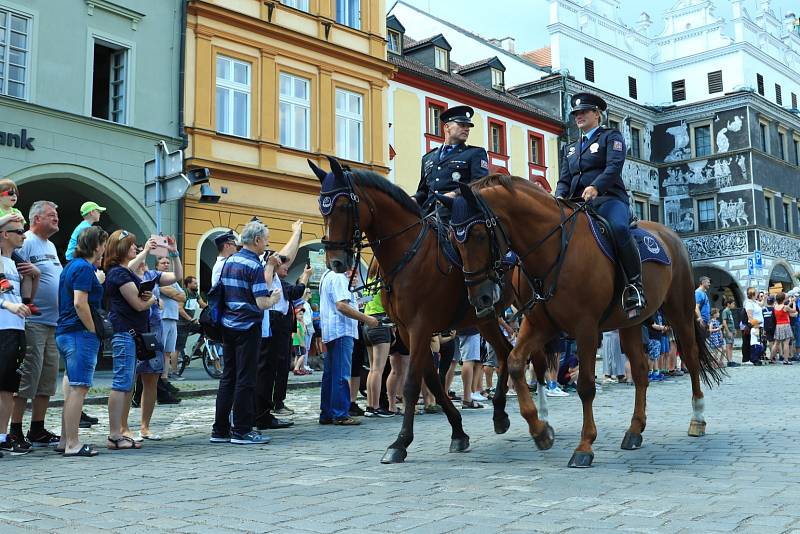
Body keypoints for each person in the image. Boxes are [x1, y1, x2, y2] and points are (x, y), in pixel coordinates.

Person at [555, 93, 645, 318]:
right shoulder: (571, 148)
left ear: (597, 114)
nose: (579, 116)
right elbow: (564, 179)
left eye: (584, 112)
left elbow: (614, 167)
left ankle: (635, 286)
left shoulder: (610, 137)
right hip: (577, 204)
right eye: (576, 113)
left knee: (618, 228)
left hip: (609, 199)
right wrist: (557, 199)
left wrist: (596, 187)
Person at [103, 230, 183, 450]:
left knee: (131, 382)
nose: (135, 249)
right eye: (132, 246)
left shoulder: (129, 273)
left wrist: (174, 253)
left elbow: (176, 277)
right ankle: (116, 433)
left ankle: (123, 432)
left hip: (139, 335)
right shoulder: (119, 273)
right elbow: (138, 305)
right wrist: (152, 300)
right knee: (123, 384)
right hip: (126, 334)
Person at [211, 220, 281, 445]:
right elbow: (261, 302)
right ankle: (242, 429)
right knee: (246, 379)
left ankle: (220, 429)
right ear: (258, 240)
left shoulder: (230, 261)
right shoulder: (253, 266)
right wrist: (274, 298)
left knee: (228, 377)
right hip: (248, 327)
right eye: (266, 239)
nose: (267, 244)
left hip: (228, 324)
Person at [6, 201, 62, 449]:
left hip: (52, 322)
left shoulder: (49, 245)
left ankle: (37, 428)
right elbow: (16, 274)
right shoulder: (25, 240)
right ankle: (15, 430)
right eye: (51, 215)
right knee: (27, 377)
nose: (56, 219)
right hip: (32, 321)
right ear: (36, 219)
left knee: (47, 379)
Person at [56, 226, 108, 457]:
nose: (105, 249)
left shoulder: (71, 267)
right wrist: (93, 329)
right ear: (96, 246)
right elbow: (80, 303)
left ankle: (65, 440)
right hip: (79, 333)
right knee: (79, 389)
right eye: (104, 244)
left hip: (65, 332)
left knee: (72, 390)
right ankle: (73, 444)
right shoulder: (85, 268)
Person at [318, 268, 378, 426]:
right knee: (342, 374)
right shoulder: (339, 278)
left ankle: (327, 412)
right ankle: (340, 413)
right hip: (341, 330)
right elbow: (342, 306)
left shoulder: (327, 275)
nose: (355, 273)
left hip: (332, 330)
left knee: (330, 375)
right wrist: (366, 318)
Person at [413, 105, 489, 214]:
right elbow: (423, 191)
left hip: (457, 215)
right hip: (428, 216)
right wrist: (413, 199)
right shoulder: (428, 158)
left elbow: (481, 184)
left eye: (468, 126)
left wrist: (455, 194)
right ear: (447, 127)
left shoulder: (475, 153)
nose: (466, 129)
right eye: (462, 125)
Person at [0, 216, 33, 456]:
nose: (23, 234)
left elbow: (26, 297)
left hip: (17, 329)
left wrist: (36, 275)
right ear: (4, 234)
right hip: (3, 329)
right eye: (18, 231)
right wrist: (7, 305)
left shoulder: (13, 263)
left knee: (9, 387)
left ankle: (2, 436)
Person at [0, 179, 40, 315]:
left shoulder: (16, 210)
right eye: (10, 193)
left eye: (16, 193)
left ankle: (27, 301)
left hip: (10, 251)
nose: (14, 196)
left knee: (26, 269)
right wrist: (7, 219)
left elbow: (20, 224)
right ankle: (1, 280)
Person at [361, 263, 394, 417]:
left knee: (372, 368)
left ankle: (369, 405)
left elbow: (364, 299)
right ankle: (376, 406)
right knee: (378, 370)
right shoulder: (384, 281)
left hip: (367, 324)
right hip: (380, 322)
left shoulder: (369, 279)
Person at [153, 256, 186, 379]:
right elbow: (173, 293)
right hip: (162, 318)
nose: (166, 264)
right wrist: (172, 293)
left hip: (173, 318)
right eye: (163, 263)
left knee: (168, 351)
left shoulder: (172, 280)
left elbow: (183, 297)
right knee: (159, 351)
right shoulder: (155, 278)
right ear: (157, 265)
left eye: (167, 262)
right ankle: (158, 378)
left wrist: (171, 292)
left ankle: (165, 377)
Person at [772, 292, 796, 365]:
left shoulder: (775, 306)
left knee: (776, 343)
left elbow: (784, 308)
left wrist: (790, 303)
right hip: (785, 325)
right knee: (786, 343)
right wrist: (794, 302)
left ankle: (771, 358)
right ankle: (786, 360)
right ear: (783, 299)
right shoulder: (785, 307)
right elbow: (793, 310)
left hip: (778, 325)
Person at [743, 287, 764, 366]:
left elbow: (761, 304)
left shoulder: (755, 302)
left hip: (760, 325)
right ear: (752, 294)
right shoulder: (749, 303)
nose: (757, 294)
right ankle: (754, 359)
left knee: (759, 342)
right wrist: (756, 327)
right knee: (755, 342)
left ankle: (757, 358)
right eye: (756, 293)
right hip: (755, 325)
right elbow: (750, 317)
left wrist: (764, 298)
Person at [721, 298, 739, 367]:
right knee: (728, 346)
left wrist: (734, 330)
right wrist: (728, 332)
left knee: (731, 346)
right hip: (728, 331)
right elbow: (724, 322)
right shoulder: (725, 311)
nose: (734, 305)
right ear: (728, 304)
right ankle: (729, 361)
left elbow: (731, 322)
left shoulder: (729, 311)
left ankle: (731, 360)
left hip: (732, 331)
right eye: (733, 303)